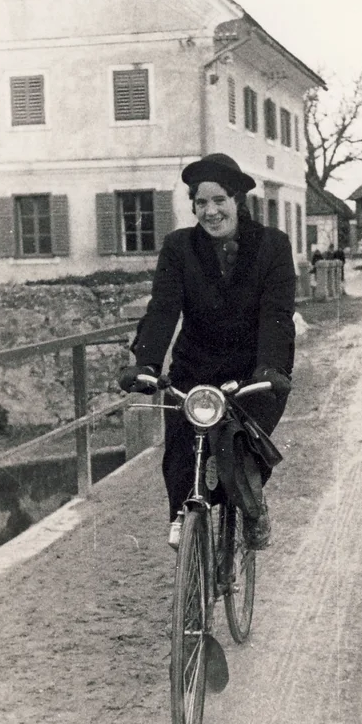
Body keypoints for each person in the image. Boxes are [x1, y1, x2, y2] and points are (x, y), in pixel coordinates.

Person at [118, 152, 296, 550]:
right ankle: (185, 520)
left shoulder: (272, 246)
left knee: (242, 452)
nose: (210, 212)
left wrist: (271, 367)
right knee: (182, 453)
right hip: (195, 367)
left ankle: (252, 507)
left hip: (255, 369)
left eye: (219, 200)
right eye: (201, 202)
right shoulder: (179, 247)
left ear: (238, 201)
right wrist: (145, 363)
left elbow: (277, 314)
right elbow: (163, 308)